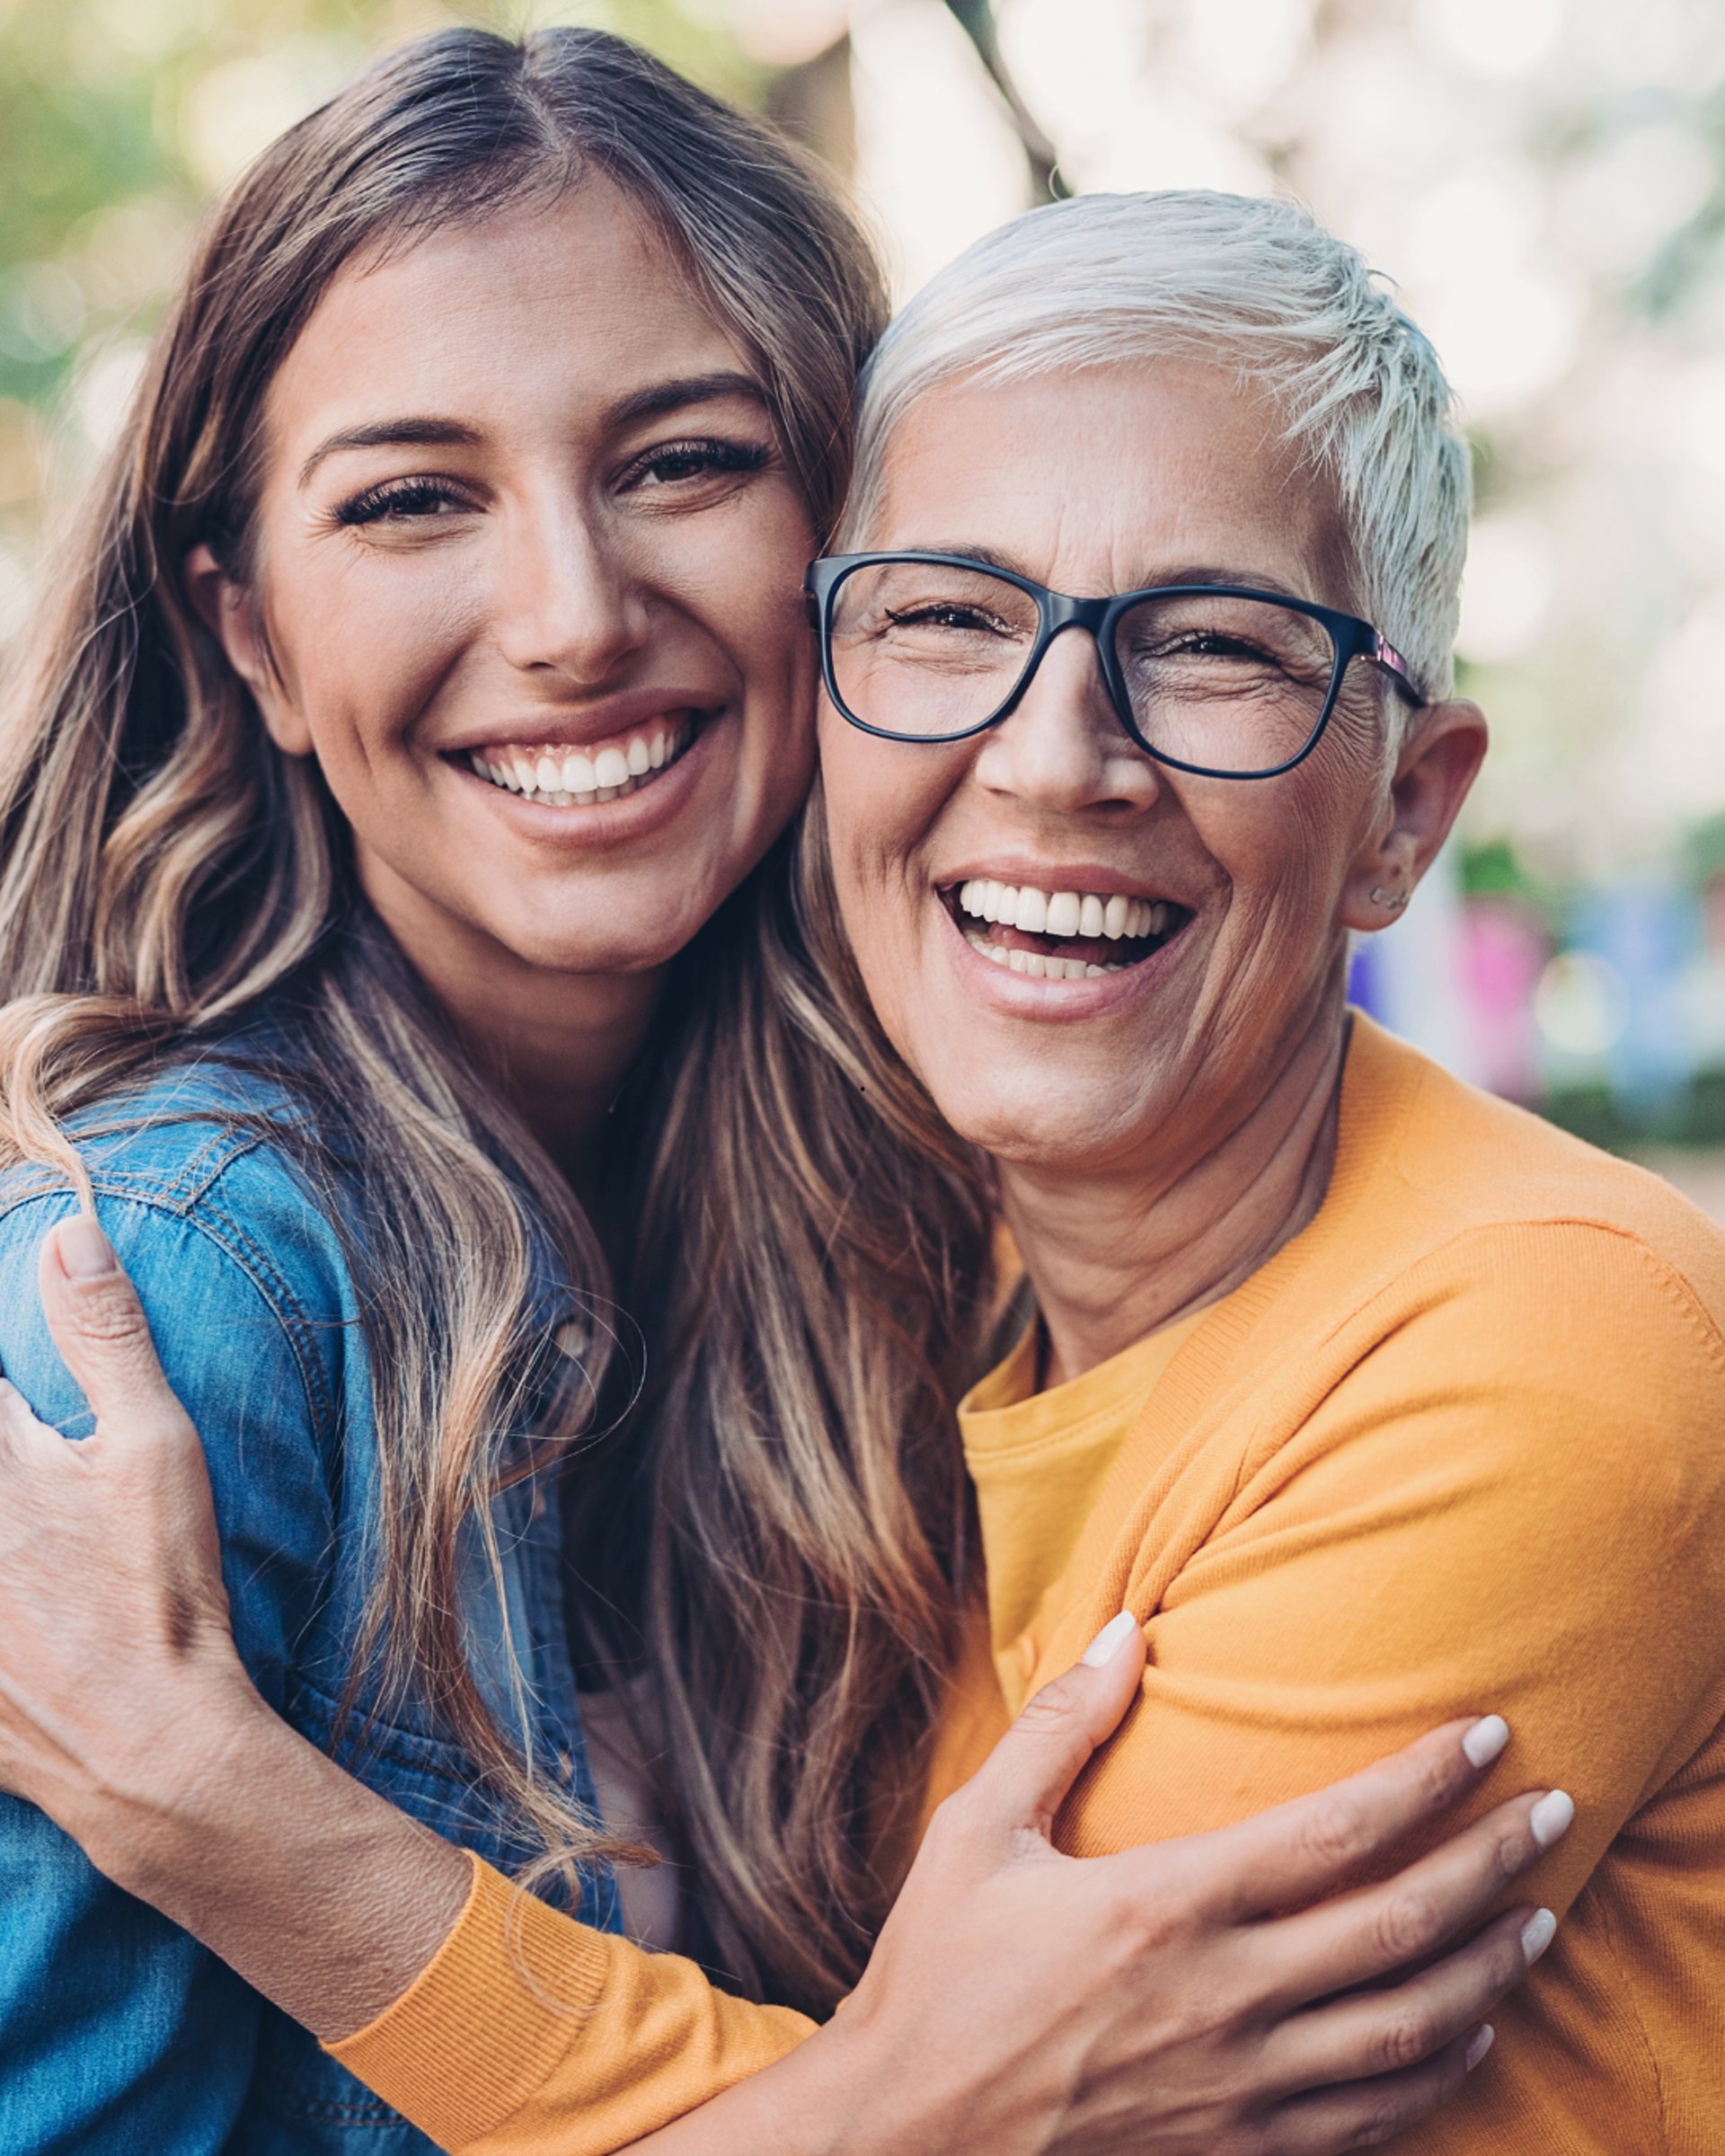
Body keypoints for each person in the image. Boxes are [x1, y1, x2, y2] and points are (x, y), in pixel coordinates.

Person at [0, 30, 1559, 2156]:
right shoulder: (160, 1303)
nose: (571, 614)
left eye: (681, 464)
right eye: (412, 500)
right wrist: (916, 2110)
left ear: (866, 563)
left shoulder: (935, 1223)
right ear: (252, 636)